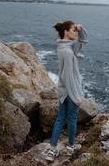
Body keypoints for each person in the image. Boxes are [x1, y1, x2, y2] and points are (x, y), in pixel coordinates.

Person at [44, 20, 88, 162]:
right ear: (65, 32)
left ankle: (52, 149)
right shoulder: (68, 52)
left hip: (63, 89)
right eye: (73, 30)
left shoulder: (65, 46)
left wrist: (80, 29)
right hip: (70, 89)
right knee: (72, 119)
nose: (75, 32)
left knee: (60, 118)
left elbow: (83, 40)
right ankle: (71, 146)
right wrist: (76, 96)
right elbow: (68, 76)